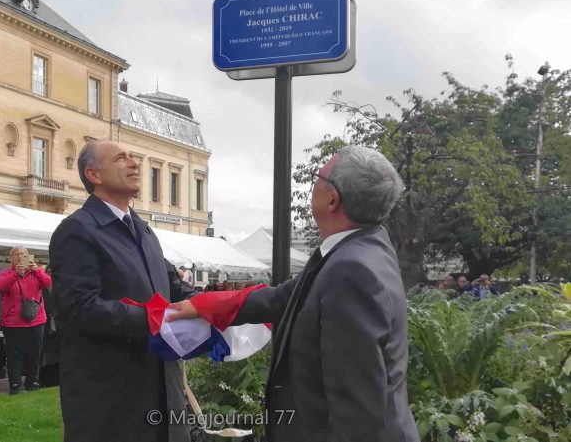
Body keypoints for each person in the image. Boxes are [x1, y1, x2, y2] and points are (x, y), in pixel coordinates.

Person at [170, 145, 419, 442]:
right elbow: (283, 298)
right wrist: (203, 305)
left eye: (318, 177)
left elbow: (357, 407)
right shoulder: (362, 247)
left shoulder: (350, 269)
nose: (313, 185)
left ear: (332, 198)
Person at [49, 139, 197, 442]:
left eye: (133, 156)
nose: (134, 163)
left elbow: (172, 286)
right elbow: (79, 309)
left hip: (163, 392)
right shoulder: (77, 230)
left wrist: (211, 306)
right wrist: (157, 319)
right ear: (94, 175)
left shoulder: (142, 229)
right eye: (121, 158)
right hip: (113, 400)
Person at [0, 246, 51, 395]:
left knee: (35, 353)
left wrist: (38, 271)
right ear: (11, 258)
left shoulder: (36, 272)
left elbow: (48, 284)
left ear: (29, 257)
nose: (20, 257)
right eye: (16, 255)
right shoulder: (6, 273)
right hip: (13, 323)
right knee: (15, 356)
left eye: (23, 254)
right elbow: (0, 287)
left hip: (36, 321)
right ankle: (15, 385)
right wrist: (15, 274)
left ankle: (32, 382)